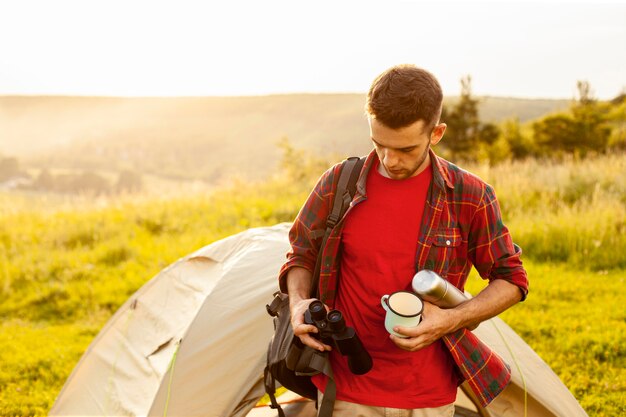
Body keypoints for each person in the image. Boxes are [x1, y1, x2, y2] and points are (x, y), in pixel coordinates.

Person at [278, 64, 529, 417]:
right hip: (345, 389)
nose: (389, 160)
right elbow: (301, 253)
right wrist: (299, 304)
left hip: (429, 393)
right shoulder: (338, 183)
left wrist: (451, 319)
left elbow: (511, 280)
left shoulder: (471, 196)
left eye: (406, 149)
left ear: (436, 133)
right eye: (379, 145)